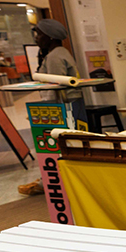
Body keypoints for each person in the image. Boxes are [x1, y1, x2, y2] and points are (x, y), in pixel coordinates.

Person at [18, 18, 81, 196]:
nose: (37, 38)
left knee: (55, 148)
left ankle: (49, 182)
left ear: (51, 37)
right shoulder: (62, 53)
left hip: (60, 109)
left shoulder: (54, 56)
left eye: (39, 34)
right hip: (70, 106)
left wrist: (45, 112)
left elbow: (55, 87)